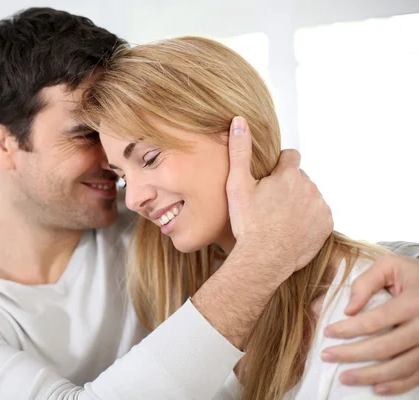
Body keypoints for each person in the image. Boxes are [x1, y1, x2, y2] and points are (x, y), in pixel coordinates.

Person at [0, 7, 419, 399]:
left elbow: (308, 242)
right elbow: (272, 245)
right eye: (87, 135)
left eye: (140, 150)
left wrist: (408, 273)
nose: (125, 187)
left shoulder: (158, 227)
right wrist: (263, 257)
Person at [77, 36, 419, 399]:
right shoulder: (201, 306)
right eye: (123, 176)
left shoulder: (369, 315)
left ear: (238, 135)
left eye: (149, 158)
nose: (133, 199)